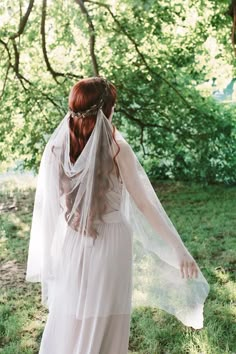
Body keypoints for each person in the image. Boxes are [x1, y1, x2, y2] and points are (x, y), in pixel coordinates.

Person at [25, 76, 210, 354]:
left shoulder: (56, 149)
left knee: (72, 315)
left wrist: (51, 259)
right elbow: (146, 204)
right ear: (105, 111)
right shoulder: (118, 149)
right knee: (107, 318)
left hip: (74, 242)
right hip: (112, 242)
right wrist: (179, 249)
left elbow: (48, 211)